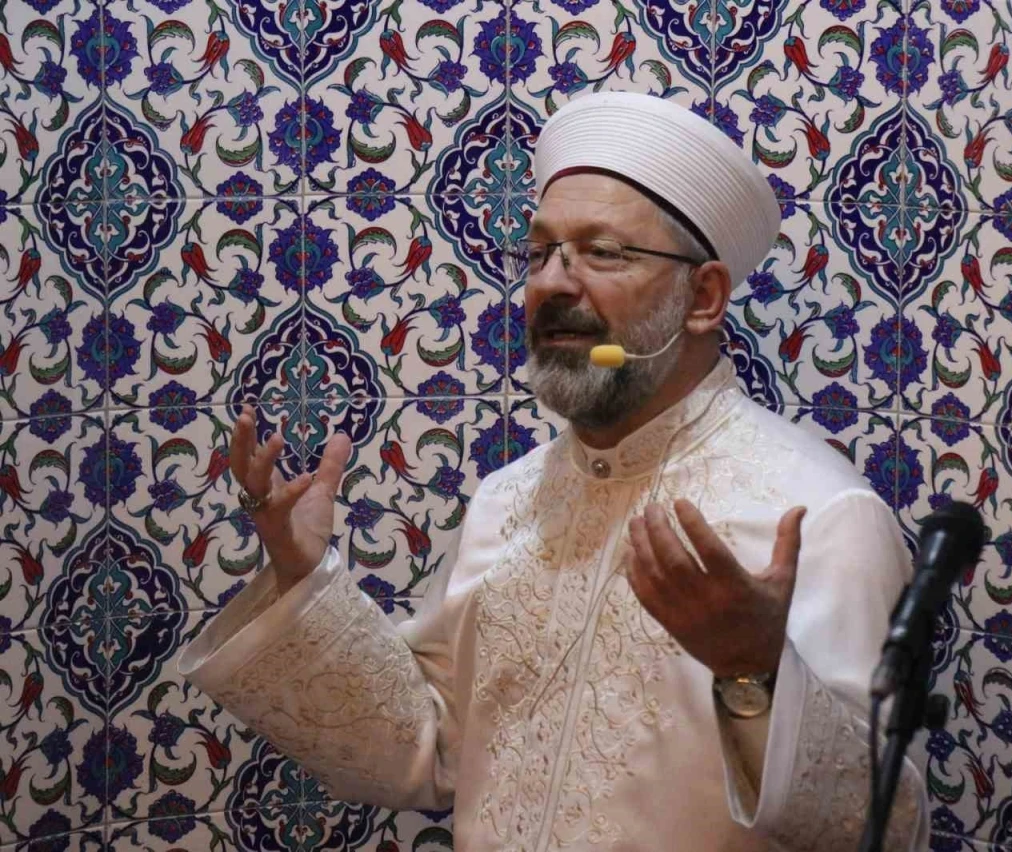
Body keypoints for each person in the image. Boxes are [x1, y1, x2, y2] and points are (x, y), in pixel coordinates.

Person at [179, 91, 927, 851]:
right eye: (540, 253)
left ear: (702, 297)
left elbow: (885, 830)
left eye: (604, 253)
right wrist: (302, 575)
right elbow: (427, 749)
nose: (551, 285)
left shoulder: (822, 515)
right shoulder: (508, 501)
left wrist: (753, 672)